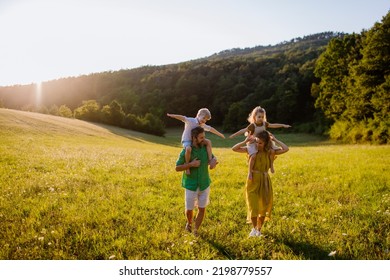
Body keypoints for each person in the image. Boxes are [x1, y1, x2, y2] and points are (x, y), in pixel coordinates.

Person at [232, 130, 289, 237]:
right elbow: (234, 149)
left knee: (263, 206)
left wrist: (275, 139)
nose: (258, 145)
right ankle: (254, 228)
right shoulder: (251, 150)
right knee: (253, 205)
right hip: (253, 180)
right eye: (257, 142)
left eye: (260, 143)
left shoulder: (270, 152)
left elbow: (286, 149)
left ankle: (258, 229)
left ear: (266, 143)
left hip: (265, 180)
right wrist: (245, 141)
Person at [175, 126, 217, 237]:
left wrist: (214, 161)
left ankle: (196, 230)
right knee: (189, 210)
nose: (204, 139)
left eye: (204, 137)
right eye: (201, 137)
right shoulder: (186, 150)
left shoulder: (205, 148)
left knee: (202, 208)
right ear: (194, 138)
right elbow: (177, 167)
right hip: (190, 185)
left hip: (204, 184)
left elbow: (212, 159)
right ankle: (189, 223)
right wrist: (190, 164)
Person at [229, 106, 290, 179]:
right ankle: (250, 172)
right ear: (254, 117)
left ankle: (271, 165)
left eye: (262, 117)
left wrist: (283, 125)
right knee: (253, 156)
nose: (261, 118)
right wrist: (234, 134)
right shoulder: (253, 125)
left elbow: (273, 125)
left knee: (272, 151)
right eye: (259, 117)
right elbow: (243, 130)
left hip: (265, 140)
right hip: (255, 142)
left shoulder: (264, 123)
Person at [167, 108, 224, 174]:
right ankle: (187, 165)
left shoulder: (202, 125)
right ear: (198, 115)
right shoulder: (191, 121)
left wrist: (220, 134)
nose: (204, 121)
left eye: (206, 120)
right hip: (187, 140)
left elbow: (211, 129)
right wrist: (172, 115)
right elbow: (182, 118)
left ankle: (210, 160)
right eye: (203, 118)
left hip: (197, 141)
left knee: (208, 142)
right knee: (188, 149)